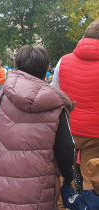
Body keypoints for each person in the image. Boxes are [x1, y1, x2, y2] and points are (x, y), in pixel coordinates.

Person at [0, 45, 75, 209]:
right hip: (39, 193)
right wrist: (69, 176)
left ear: (16, 67)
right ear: (45, 71)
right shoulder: (57, 103)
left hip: (0, 183)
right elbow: (66, 147)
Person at [51, 19, 99, 191]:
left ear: (84, 36)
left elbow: (53, 93)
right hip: (95, 133)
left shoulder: (63, 61)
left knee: (63, 174)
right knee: (92, 176)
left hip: (66, 129)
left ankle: (61, 206)